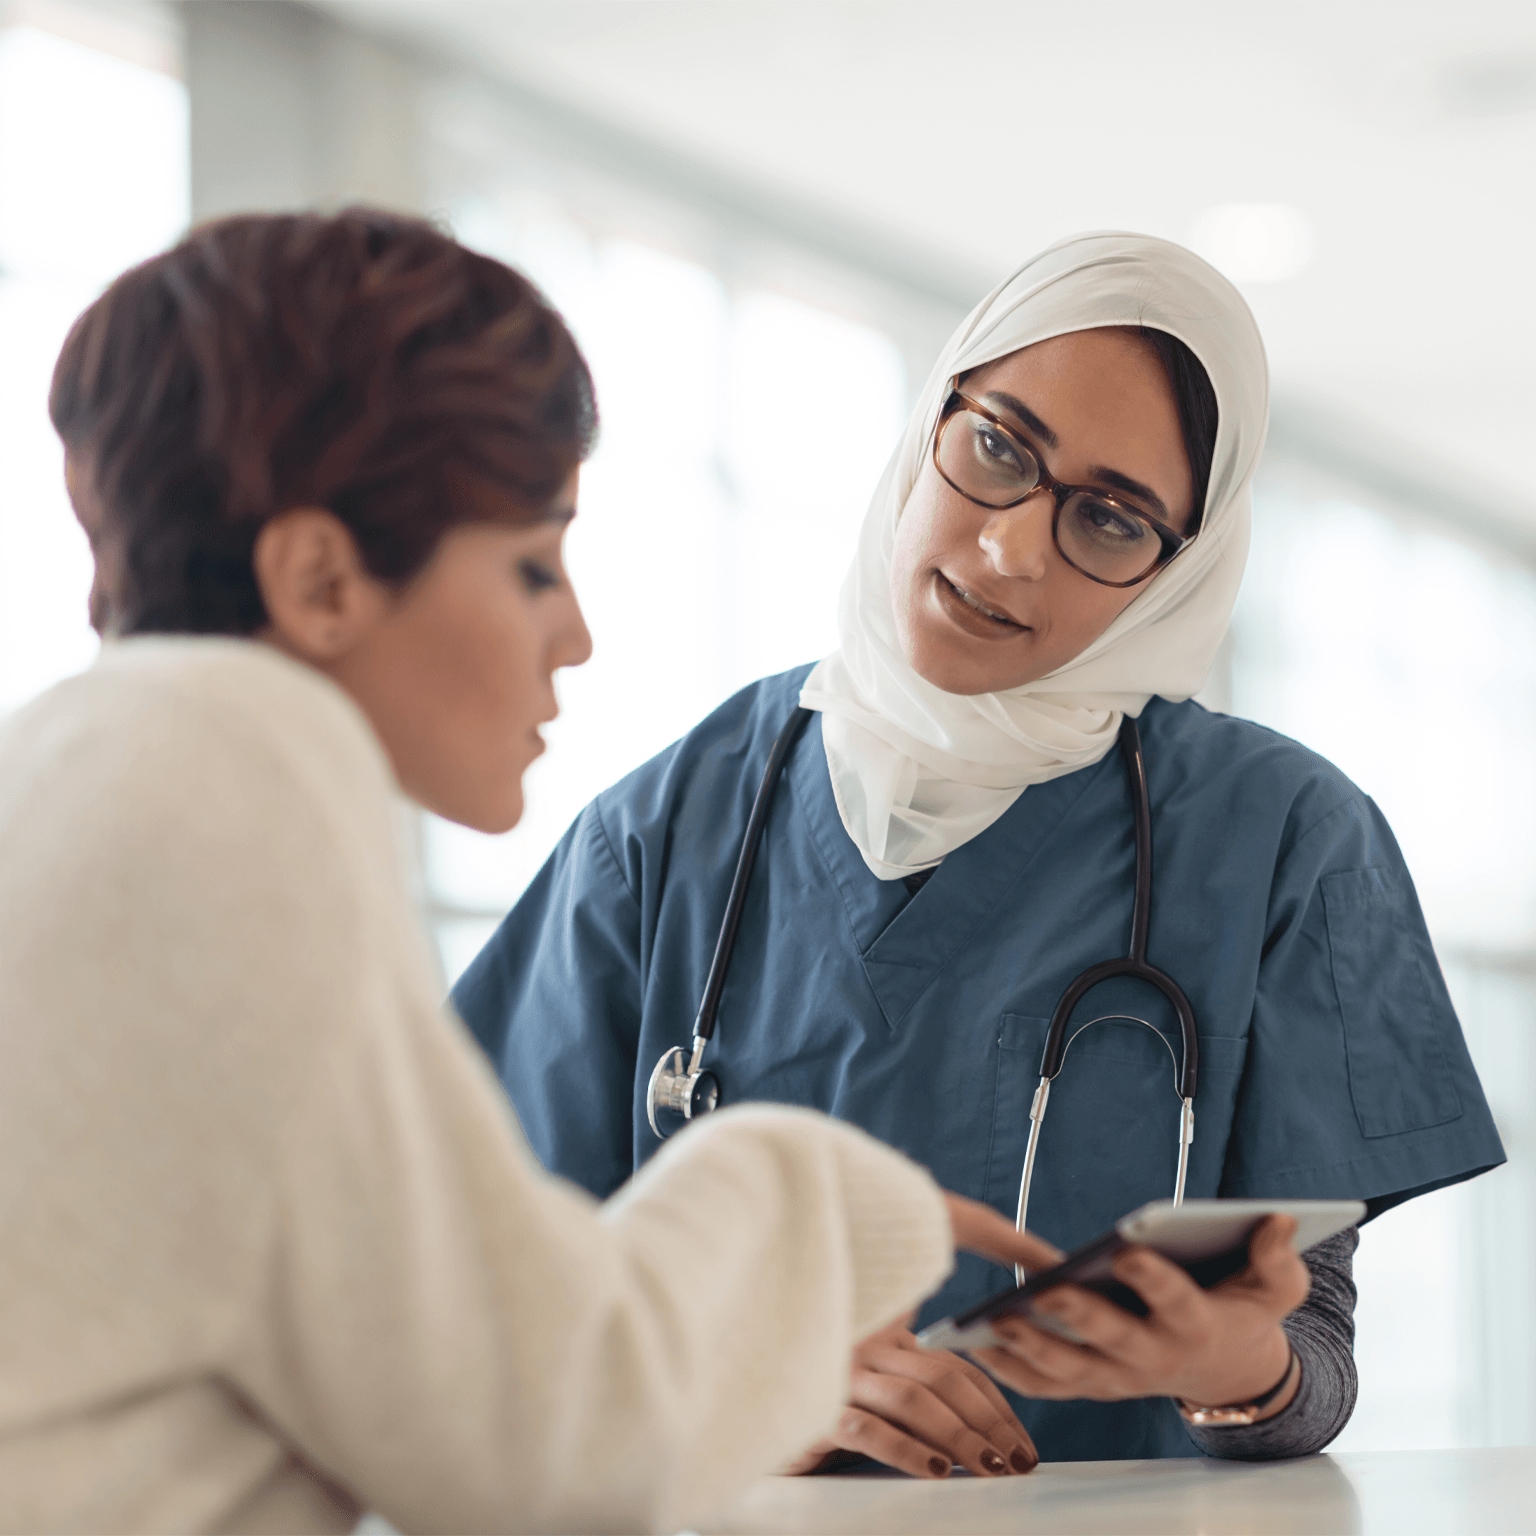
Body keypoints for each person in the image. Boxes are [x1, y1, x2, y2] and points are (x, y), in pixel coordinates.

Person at [0, 209, 1049, 1536]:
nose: (578, 637)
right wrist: (832, 1204)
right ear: (322, 579)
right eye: (532, 562)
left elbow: (392, 1355)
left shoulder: (79, 766)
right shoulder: (227, 788)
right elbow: (555, 1440)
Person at [455, 231, 1506, 1471]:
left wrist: (1229, 1367)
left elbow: (1312, 1355)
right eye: (1000, 448)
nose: (1011, 547)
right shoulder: (667, 827)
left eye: (1111, 521)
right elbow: (485, 1290)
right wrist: (736, 1388)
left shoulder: (1285, 841)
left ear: (1180, 568)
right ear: (932, 417)